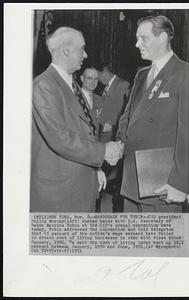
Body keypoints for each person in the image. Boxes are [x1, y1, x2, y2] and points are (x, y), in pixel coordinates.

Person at [30, 27, 123, 212]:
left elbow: (84, 129)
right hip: (59, 192)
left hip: (79, 184)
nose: (86, 54)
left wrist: (95, 169)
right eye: (82, 48)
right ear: (67, 50)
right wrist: (103, 151)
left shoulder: (71, 84)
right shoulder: (44, 85)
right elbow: (60, 138)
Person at [117, 15, 189, 212]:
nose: (137, 43)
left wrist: (180, 183)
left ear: (163, 37)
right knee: (133, 240)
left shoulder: (185, 73)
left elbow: (188, 134)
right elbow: (128, 116)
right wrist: (118, 145)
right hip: (132, 179)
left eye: (143, 38)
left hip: (163, 183)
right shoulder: (141, 74)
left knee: (161, 242)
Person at [97, 63, 130, 142]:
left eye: (97, 76)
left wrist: (111, 123)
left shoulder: (123, 84)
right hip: (103, 129)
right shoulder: (107, 86)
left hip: (113, 131)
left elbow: (126, 109)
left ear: (104, 73)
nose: (97, 79)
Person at [79, 66, 103, 133]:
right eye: (89, 78)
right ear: (82, 78)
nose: (93, 82)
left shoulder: (100, 100)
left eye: (96, 79)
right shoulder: (74, 97)